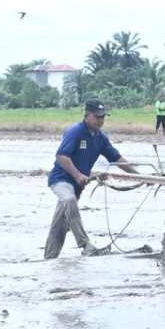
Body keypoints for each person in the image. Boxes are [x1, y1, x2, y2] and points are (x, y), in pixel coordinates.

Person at [45, 100, 139, 259]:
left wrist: (138, 174)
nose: (101, 121)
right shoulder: (75, 132)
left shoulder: (100, 137)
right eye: (97, 117)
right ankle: (85, 244)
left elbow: (116, 158)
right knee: (69, 200)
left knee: (60, 226)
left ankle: (48, 260)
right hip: (61, 180)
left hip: (78, 185)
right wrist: (78, 175)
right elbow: (61, 157)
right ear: (87, 115)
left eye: (103, 117)